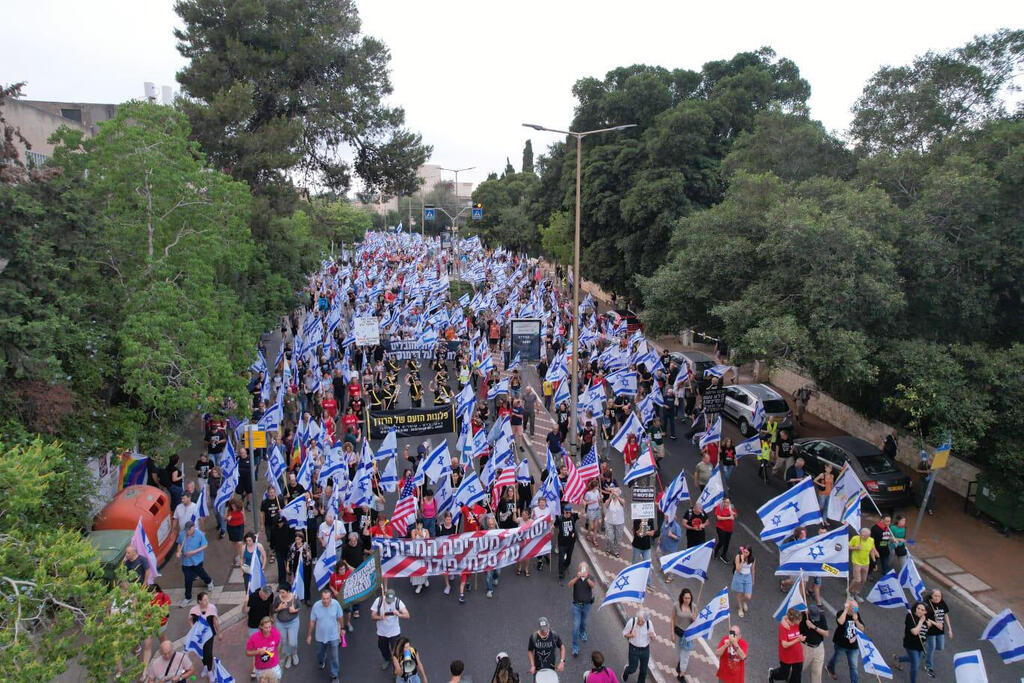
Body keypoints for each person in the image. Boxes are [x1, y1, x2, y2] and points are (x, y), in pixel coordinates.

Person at [307, 588, 344, 683]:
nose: (326, 601)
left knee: (334, 656)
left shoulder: (336, 604)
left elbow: (340, 617)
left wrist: (342, 629)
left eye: (327, 598)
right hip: (320, 636)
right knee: (320, 653)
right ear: (321, 598)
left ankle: (334, 675)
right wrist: (309, 635)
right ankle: (322, 660)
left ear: (331, 598)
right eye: (324, 598)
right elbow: (312, 622)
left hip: (333, 636)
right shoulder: (316, 606)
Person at [826, 598, 865, 683]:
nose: (856, 610)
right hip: (841, 644)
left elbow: (862, 629)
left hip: (853, 646)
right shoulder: (841, 613)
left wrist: (856, 620)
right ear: (849, 607)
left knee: (854, 666)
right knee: (837, 658)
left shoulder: (856, 615)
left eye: (857, 608)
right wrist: (846, 610)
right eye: (854, 608)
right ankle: (830, 667)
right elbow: (840, 622)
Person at [176, 520, 213, 607]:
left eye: (189, 530)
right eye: (186, 530)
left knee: (201, 573)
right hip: (186, 562)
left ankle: (209, 581)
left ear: (193, 528)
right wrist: (178, 552)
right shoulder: (182, 534)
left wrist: (193, 552)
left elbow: (205, 545)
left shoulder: (199, 534)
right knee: (188, 579)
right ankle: (188, 597)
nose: (187, 532)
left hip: (197, 560)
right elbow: (179, 543)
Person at [372, 588, 410, 671]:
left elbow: (407, 615)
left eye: (391, 600)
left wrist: (399, 614)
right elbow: (373, 616)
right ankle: (387, 659)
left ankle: (396, 670)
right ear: (385, 596)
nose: (389, 602)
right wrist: (380, 617)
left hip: (394, 632)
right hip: (382, 632)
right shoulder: (378, 601)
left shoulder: (397, 602)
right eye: (388, 600)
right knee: (383, 648)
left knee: (396, 651)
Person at [188, 592, 220, 678]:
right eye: (205, 600)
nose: (207, 601)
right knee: (201, 653)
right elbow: (190, 620)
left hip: (209, 635)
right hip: (199, 636)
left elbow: (215, 621)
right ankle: (205, 667)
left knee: (208, 653)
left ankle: (210, 671)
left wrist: (219, 633)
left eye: (207, 599)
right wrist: (193, 630)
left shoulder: (212, 608)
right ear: (199, 601)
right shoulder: (194, 610)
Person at [568, 562, 596, 657]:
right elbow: (570, 584)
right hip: (576, 606)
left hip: (586, 605)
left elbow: (593, 586)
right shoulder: (576, 576)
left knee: (583, 622)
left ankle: (583, 632)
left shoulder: (590, 577)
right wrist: (577, 577)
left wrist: (586, 578)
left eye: (585, 569)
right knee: (576, 626)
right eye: (581, 569)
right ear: (579, 570)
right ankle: (575, 647)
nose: (583, 571)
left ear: (587, 570)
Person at [895, 601, 928, 683]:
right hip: (910, 644)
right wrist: (921, 621)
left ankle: (898, 659)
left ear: (926, 612)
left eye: (922, 610)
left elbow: (926, 631)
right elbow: (915, 632)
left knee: (912, 659)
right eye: (918, 608)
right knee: (915, 665)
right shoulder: (910, 617)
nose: (919, 611)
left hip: (920, 645)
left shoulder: (926, 619)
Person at [769, 608, 805, 682]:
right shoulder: (784, 627)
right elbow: (784, 644)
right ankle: (772, 674)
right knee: (784, 674)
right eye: (799, 620)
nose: (801, 621)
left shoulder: (797, 623)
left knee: (797, 677)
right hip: (786, 656)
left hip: (798, 655)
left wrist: (783, 618)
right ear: (794, 620)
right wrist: (797, 640)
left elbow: (804, 611)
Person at [923, 588, 953, 678]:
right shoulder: (927, 604)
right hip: (931, 630)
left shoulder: (942, 603)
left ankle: (925, 650)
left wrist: (950, 629)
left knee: (940, 647)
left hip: (940, 630)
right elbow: (924, 618)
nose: (937, 598)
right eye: (935, 596)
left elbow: (945, 615)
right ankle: (929, 667)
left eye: (939, 596)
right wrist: (936, 624)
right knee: (931, 648)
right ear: (931, 596)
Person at [245, 616, 282, 682]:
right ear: (261, 627)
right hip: (260, 668)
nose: (268, 629)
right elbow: (247, 653)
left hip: (273, 666)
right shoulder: (254, 638)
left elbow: (277, 646)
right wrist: (257, 652)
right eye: (266, 627)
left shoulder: (276, 634)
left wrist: (276, 657)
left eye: (270, 627)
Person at [621, 608, 654, 683]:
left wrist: (652, 636)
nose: (639, 622)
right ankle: (626, 670)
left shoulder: (649, 623)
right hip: (634, 649)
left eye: (642, 621)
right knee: (632, 669)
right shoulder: (632, 622)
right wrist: (631, 635)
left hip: (645, 649)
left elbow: (653, 637)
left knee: (644, 671)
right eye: (639, 620)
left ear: (645, 620)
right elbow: (624, 634)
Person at [670, 588, 696, 682]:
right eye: (685, 598)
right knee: (678, 652)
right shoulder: (676, 606)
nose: (687, 600)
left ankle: (681, 674)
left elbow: (696, 621)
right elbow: (672, 619)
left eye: (689, 598)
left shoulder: (693, 607)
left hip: (688, 635)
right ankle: (680, 664)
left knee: (685, 655)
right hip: (678, 632)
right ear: (682, 597)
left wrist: (694, 619)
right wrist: (672, 633)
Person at [274, 584, 301, 669]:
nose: (281, 594)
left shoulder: (295, 597)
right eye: (280, 592)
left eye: (283, 592)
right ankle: (288, 656)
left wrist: (294, 610)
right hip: (280, 623)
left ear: (288, 592)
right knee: (284, 642)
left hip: (293, 622)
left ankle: (294, 653)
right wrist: (279, 608)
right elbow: (273, 610)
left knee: (293, 642)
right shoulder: (278, 599)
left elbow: (300, 607)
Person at [801, 604, 829, 683]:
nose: (815, 619)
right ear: (808, 613)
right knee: (798, 668)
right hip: (806, 648)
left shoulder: (821, 616)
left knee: (817, 672)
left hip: (819, 648)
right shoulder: (803, 617)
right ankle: (787, 675)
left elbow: (826, 633)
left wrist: (814, 627)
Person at [848, 528, 878, 600]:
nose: (864, 537)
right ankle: (849, 591)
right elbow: (848, 547)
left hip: (866, 562)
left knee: (863, 580)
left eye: (866, 536)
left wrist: (874, 562)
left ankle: (856, 593)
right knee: (857, 579)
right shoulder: (855, 538)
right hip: (856, 561)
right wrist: (856, 548)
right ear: (860, 534)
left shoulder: (871, 540)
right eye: (863, 535)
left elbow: (871, 551)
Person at [730, 546, 754, 618]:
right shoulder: (738, 557)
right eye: (744, 552)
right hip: (739, 575)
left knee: (748, 596)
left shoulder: (752, 559)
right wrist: (742, 561)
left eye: (747, 552)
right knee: (740, 593)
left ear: (750, 553)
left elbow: (753, 569)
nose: (745, 553)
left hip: (748, 576)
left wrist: (753, 579)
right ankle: (740, 608)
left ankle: (743, 601)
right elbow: (738, 569)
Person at [556, 503, 579, 580]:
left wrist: (584, 506)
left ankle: (565, 566)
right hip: (562, 543)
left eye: (569, 512)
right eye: (567, 512)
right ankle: (561, 572)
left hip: (571, 543)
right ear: (564, 511)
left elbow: (581, 514)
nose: (568, 514)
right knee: (561, 559)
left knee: (568, 559)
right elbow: (555, 525)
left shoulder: (573, 517)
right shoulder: (559, 518)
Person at [658, 512, 681, 582]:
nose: (665, 516)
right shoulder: (664, 522)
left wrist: (671, 535)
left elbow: (678, 538)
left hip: (670, 549)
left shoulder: (676, 527)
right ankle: (663, 567)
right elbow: (662, 531)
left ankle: (670, 577)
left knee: (670, 563)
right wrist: (659, 538)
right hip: (662, 545)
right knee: (659, 556)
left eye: (667, 516)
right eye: (666, 515)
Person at [712, 497, 736, 564]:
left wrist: (732, 513)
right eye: (726, 502)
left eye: (728, 502)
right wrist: (729, 517)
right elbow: (718, 518)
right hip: (720, 528)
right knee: (722, 541)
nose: (727, 504)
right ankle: (716, 551)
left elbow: (735, 516)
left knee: (727, 542)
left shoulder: (731, 507)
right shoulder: (719, 507)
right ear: (723, 502)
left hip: (729, 529)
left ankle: (723, 555)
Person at [604, 486, 626, 557]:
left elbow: (623, 503)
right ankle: (608, 548)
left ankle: (616, 551)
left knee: (618, 538)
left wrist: (617, 497)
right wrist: (610, 498)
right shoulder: (609, 500)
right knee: (610, 537)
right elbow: (606, 505)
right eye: (613, 492)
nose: (614, 493)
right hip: (609, 522)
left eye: (616, 492)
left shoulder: (621, 500)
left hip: (619, 523)